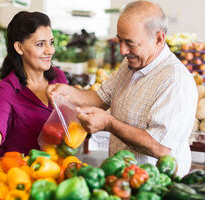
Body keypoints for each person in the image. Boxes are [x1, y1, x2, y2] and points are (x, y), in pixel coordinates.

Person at [47, 0, 198, 177]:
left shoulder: (175, 81)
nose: (122, 50)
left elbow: (161, 147)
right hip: (121, 178)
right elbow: (100, 98)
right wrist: (70, 92)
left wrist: (109, 124)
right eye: (120, 40)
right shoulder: (130, 64)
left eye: (130, 43)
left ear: (158, 39)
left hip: (153, 186)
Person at [0, 11, 68, 178]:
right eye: (40, 44)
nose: (50, 50)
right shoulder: (7, 89)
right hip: (20, 176)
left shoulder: (59, 78)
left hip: (57, 171)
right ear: (19, 47)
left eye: (51, 42)